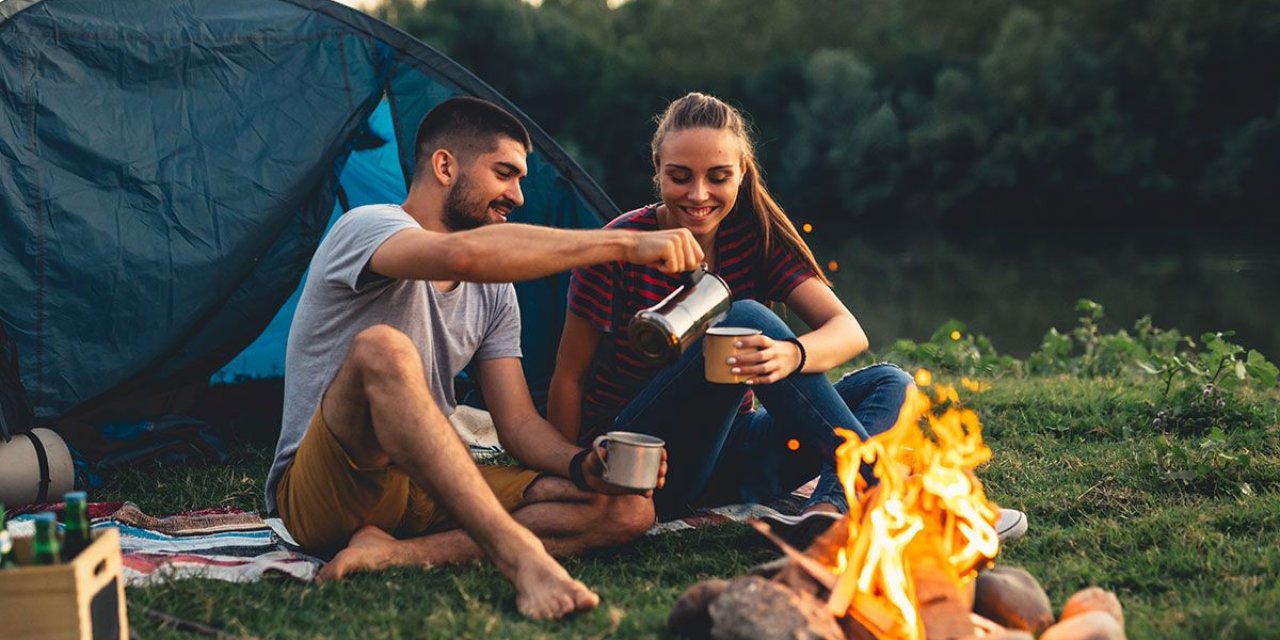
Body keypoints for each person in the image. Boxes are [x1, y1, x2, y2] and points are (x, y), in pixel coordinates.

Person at [264, 97, 705, 620]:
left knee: (627, 510)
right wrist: (626, 244)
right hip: (330, 489)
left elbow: (516, 423)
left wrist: (581, 464)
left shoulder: (495, 295)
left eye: (520, 179)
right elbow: (460, 257)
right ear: (445, 165)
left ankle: (396, 553)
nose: (517, 195)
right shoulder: (366, 227)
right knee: (382, 348)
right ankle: (520, 559)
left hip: (423, 485)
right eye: (504, 173)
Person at [548, 92, 917, 521]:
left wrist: (791, 355)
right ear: (657, 170)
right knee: (744, 318)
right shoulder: (621, 246)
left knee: (891, 383)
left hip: (735, 452)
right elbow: (568, 379)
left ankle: (829, 509)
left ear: (742, 173)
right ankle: (874, 485)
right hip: (647, 463)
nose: (698, 194)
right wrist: (571, 471)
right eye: (680, 177)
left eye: (718, 177)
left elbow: (848, 330)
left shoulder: (754, 236)